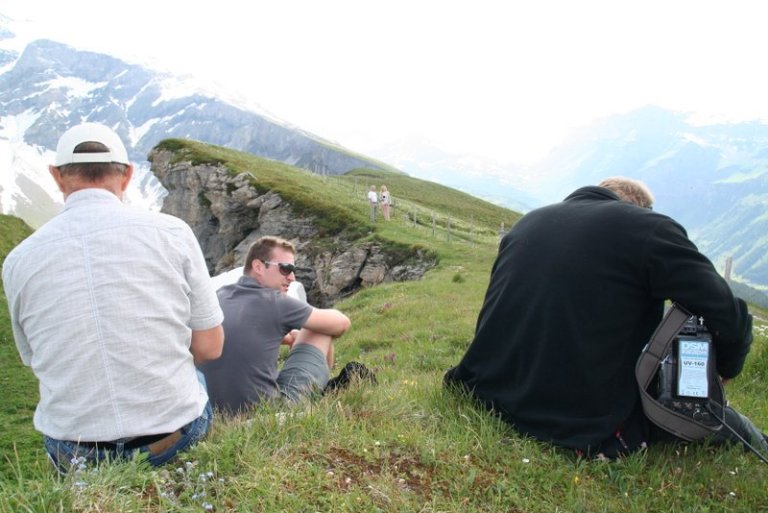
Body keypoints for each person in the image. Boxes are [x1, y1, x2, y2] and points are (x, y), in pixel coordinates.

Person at [444, 176, 764, 459]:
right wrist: (728, 367)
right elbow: (727, 314)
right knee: (725, 419)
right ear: (640, 208)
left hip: (485, 388)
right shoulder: (648, 228)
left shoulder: (528, 222)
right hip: (579, 420)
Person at [2, 122, 224, 474]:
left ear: (57, 176)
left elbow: (32, 358)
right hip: (172, 439)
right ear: (128, 175)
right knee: (196, 381)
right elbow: (210, 348)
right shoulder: (173, 233)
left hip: (73, 451)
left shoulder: (17, 260)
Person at [200, 236, 352, 414]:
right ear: (258, 267)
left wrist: (287, 338)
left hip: (211, 413)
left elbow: (242, 332)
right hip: (266, 413)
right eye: (285, 269)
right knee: (319, 329)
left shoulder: (220, 296)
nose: (292, 277)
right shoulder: (274, 301)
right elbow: (341, 324)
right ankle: (322, 389)